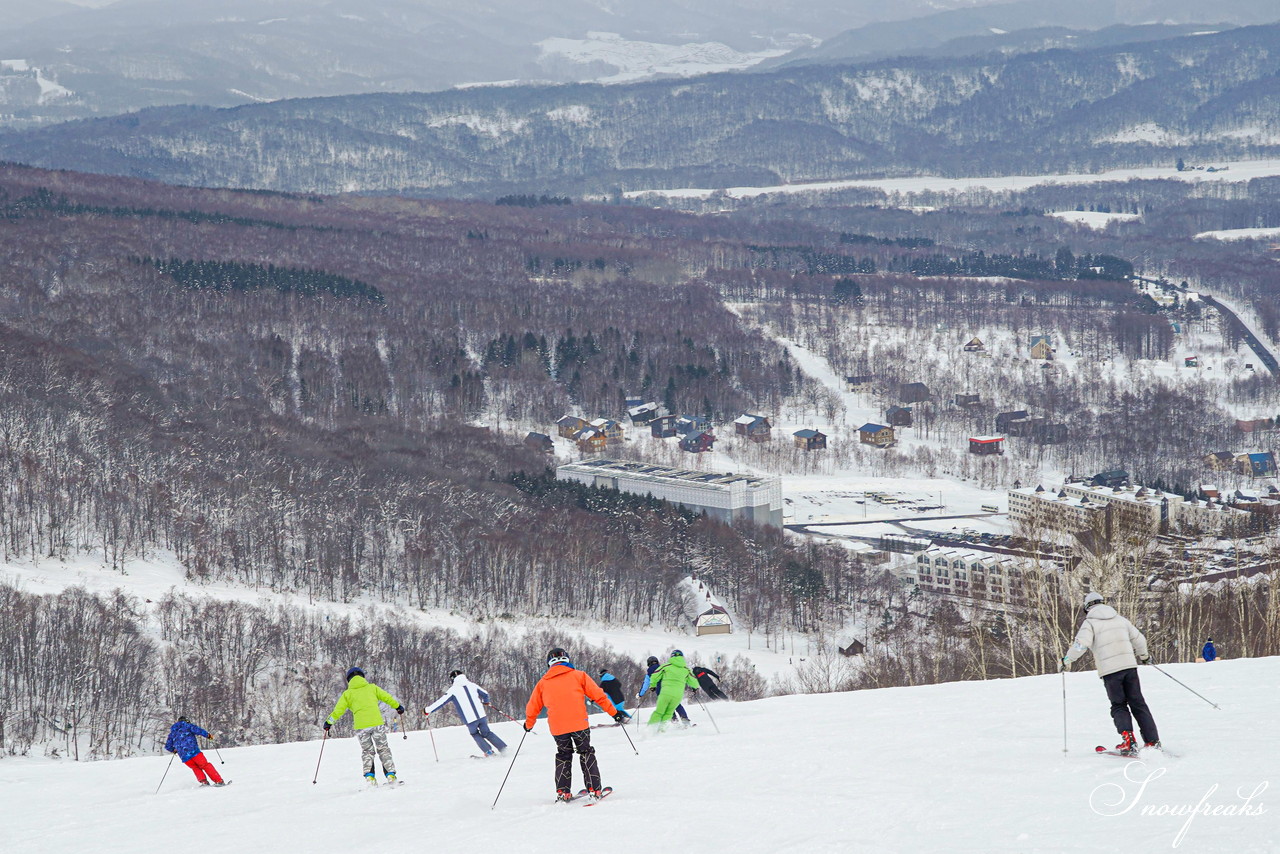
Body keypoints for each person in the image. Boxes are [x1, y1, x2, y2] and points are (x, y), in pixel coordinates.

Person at [1062, 592, 1161, 754]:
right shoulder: (1121, 620)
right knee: (1138, 703)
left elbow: (1081, 645)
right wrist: (1144, 657)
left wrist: (1066, 660)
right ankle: (1152, 740)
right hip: (1130, 667)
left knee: (1119, 705)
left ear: (1087, 608)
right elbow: (1140, 640)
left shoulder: (1090, 623)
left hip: (1110, 671)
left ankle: (1129, 741)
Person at [524, 647, 626, 802]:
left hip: (558, 728)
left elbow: (533, 707)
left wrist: (529, 724)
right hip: (579, 725)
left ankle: (562, 792)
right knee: (586, 752)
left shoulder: (543, 683)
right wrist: (615, 713)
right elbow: (599, 696)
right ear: (567, 660)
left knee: (564, 755)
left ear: (549, 663)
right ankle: (594, 789)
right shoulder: (579, 676)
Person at [324, 666, 406, 785]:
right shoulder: (372, 688)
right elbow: (387, 697)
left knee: (367, 752)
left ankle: (370, 778)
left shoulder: (348, 694)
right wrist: (398, 707)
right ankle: (391, 776)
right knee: (383, 749)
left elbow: (338, 711)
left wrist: (328, 722)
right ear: (362, 676)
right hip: (377, 723)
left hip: (361, 727)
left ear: (349, 680)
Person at [424, 669, 508, 756]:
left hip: (470, 719)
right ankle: (503, 748)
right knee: (487, 733)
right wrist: (485, 702)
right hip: (481, 716)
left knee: (475, 733)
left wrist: (427, 710)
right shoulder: (472, 685)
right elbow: (485, 694)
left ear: (452, 679)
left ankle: (489, 752)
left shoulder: (453, 690)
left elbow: (441, 702)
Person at [645, 650, 700, 732]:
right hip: (677, 695)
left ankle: (650, 730)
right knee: (670, 711)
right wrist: (695, 688)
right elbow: (694, 681)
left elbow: (654, 675)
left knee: (659, 712)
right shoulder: (686, 669)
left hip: (665, 693)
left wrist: (652, 686)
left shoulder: (666, 666)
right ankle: (682, 724)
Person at [165, 716, 226, 786]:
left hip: (184, 756)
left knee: (195, 767)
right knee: (205, 765)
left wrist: (174, 750)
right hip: (194, 752)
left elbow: (168, 746)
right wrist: (208, 736)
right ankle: (219, 781)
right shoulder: (188, 726)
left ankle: (204, 782)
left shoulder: (172, 732)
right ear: (186, 721)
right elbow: (199, 730)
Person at [638, 654, 692, 726]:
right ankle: (685, 721)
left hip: (661, 692)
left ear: (649, 664)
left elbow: (645, 685)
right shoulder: (664, 668)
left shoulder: (649, 672)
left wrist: (640, 694)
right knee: (677, 704)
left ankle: (675, 722)